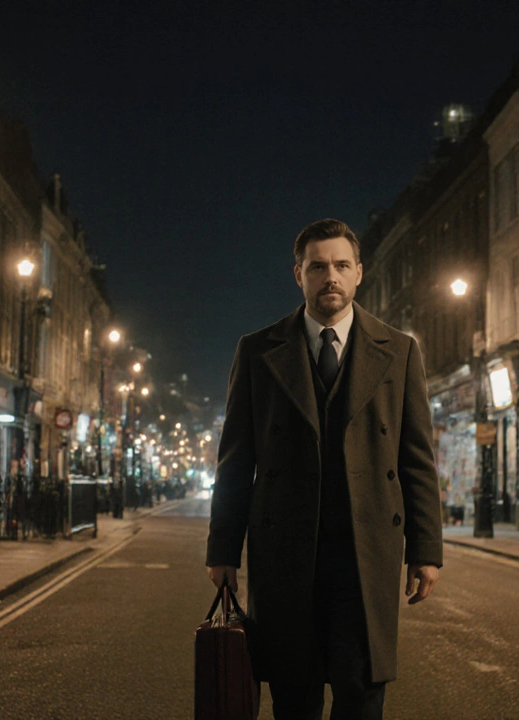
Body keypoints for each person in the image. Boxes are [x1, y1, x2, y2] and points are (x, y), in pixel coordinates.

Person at [206, 219, 442, 719]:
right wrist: (222, 550)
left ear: (359, 273)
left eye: (340, 265)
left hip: (366, 556)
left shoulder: (399, 351)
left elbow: (416, 459)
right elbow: (235, 462)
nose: (329, 276)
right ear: (299, 275)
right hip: (286, 557)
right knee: (293, 697)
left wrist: (426, 550)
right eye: (318, 266)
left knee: (361, 696)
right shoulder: (257, 351)